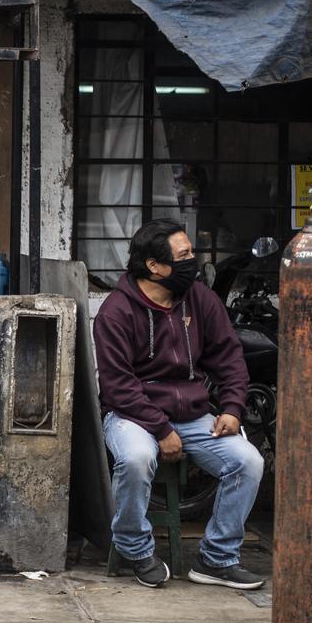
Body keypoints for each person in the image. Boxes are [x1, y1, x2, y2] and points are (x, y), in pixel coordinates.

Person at [93, 219, 265, 590]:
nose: (193, 260)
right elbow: (118, 386)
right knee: (137, 458)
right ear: (154, 266)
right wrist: (161, 429)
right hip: (131, 414)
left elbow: (229, 358)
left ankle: (217, 559)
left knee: (248, 462)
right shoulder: (115, 312)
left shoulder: (200, 299)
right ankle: (134, 548)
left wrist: (234, 408)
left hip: (191, 412)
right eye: (184, 255)